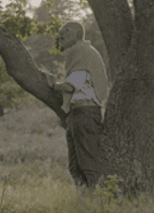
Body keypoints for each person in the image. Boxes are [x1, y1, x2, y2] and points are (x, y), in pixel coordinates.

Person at [49, 21, 109, 190]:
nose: (60, 37)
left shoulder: (80, 51)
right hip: (79, 112)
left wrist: (52, 84)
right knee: (75, 166)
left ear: (73, 33)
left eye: (63, 33)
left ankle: (94, 199)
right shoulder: (81, 51)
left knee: (87, 163)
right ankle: (83, 200)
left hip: (85, 111)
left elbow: (71, 86)